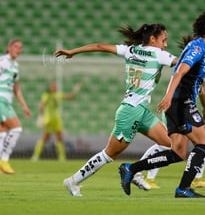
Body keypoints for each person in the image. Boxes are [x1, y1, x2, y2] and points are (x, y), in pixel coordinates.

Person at [56, 23, 177, 196]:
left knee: (171, 145)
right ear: (152, 38)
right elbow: (183, 64)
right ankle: (73, 181)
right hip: (131, 112)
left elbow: (99, 46)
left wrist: (72, 52)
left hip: (140, 110)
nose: (165, 44)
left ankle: (135, 171)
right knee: (110, 154)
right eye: (164, 40)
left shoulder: (130, 50)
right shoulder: (159, 54)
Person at [118, 11, 205, 198]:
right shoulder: (197, 49)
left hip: (180, 103)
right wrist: (168, 97)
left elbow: (197, 83)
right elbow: (178, 73)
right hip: (180, 102)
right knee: (204, 143)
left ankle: (131, 168)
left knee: (178, 152)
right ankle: (183, 188)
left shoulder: (202, 50)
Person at [132, 73, 205, 190]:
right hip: (175, 109)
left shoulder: (199, 69)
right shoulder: (187, 65)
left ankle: (196, 178)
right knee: (167, 145)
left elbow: (201, 88)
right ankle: (142, 175)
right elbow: (177, 80)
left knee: (202, 143)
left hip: (187, 110)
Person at [0, 38, 31, 174]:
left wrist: (24, 106)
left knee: (2, 132)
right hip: (0, 99)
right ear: (9, 47)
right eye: (16, 46)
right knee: (16, 128)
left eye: (20, 47)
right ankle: (4, 159)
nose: (18, 49)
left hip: (7, 101)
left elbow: (16, 89)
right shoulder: (2, 61)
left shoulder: (15, 66)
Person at [31, 81, 82, 161]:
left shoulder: (58, 94)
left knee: (59, 138)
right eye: (53, 86)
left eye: (56, 86)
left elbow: (71, 97)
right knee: (45, 137)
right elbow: (42, 105)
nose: (55, 87)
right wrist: (40, 117)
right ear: (50, 87)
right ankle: (35, 156)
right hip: (49, 119)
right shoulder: (46, 95)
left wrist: (76, 90)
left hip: (57, 120)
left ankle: (62, 157)